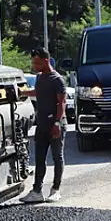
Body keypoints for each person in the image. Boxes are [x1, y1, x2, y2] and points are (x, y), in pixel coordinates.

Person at [20, 48, 66, 204]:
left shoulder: (57, 79)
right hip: (42, 124)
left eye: (37, 63)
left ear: (46, 61)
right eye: (33, 62)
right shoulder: (39, 78)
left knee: (57, 157)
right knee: (39, 158)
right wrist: (24, 93)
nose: (34, 66)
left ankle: (55, 190)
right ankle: (37, 191)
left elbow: (62, 103)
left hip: (55, 124)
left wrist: (57, 123)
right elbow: (38, 92)